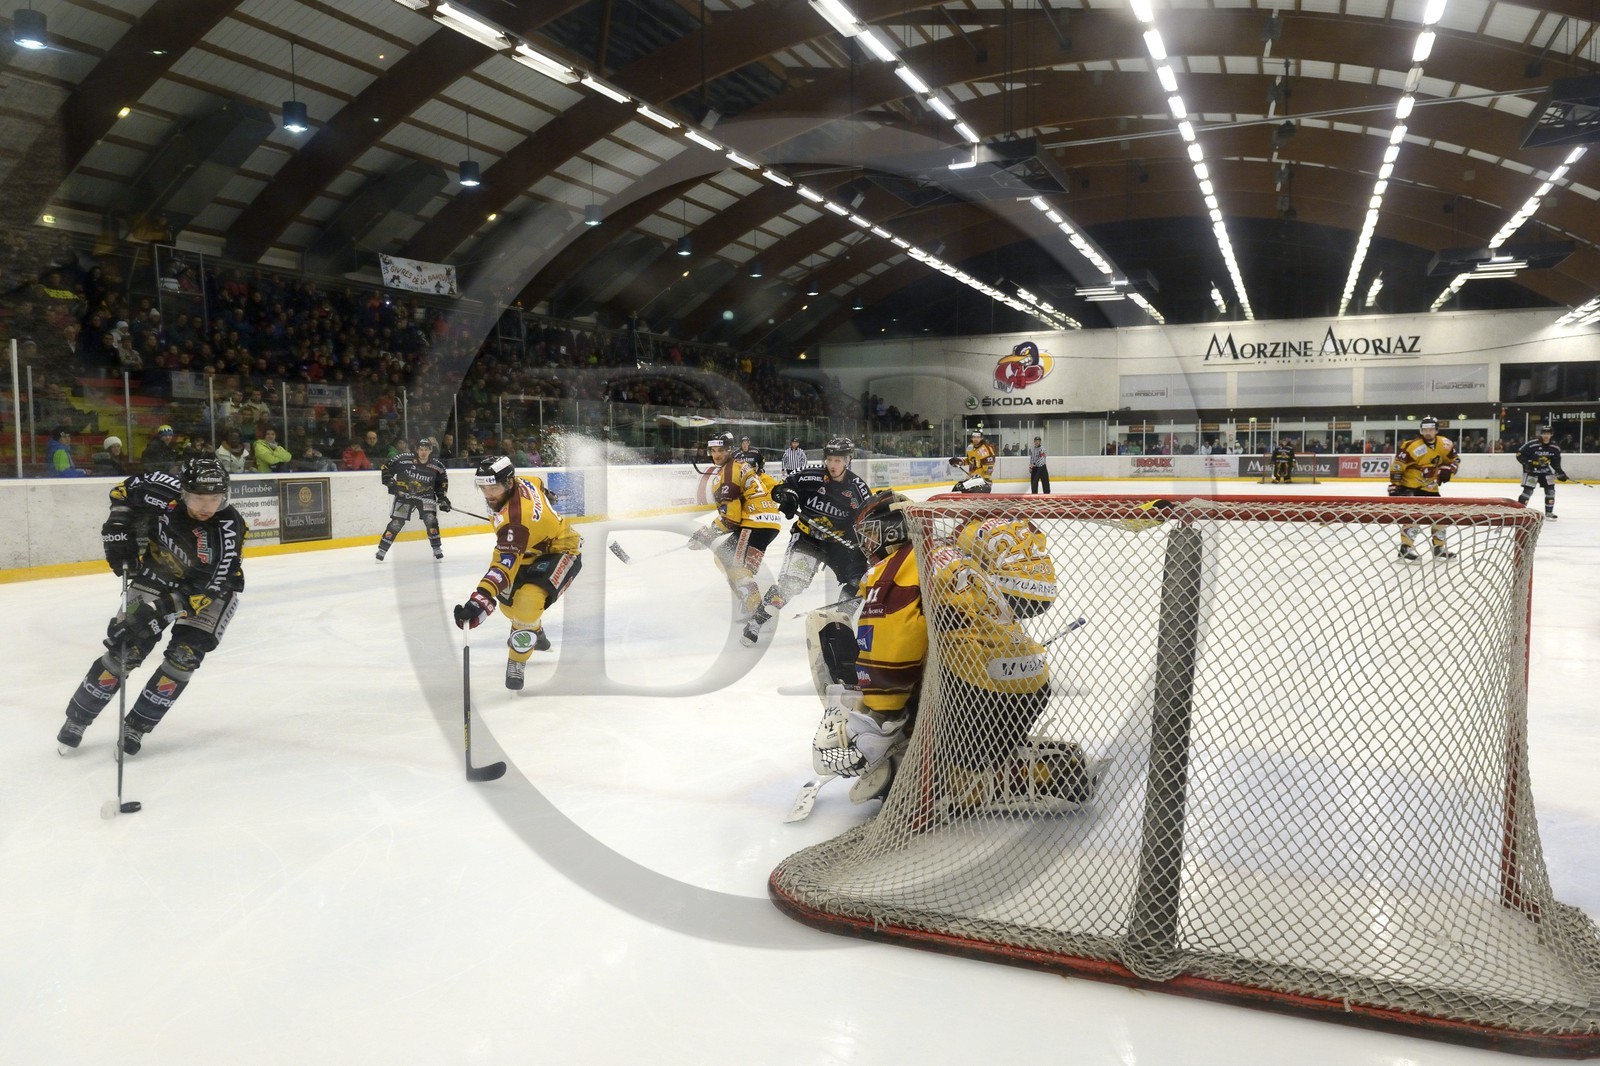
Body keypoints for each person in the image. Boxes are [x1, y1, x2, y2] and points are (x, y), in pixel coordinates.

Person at [808, 490, 1101, 811]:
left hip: (978, 693)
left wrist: (869, 730)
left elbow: (892, 654)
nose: (867, 546)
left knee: (942, 785)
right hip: (1027, 688)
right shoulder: (947, 554)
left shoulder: (896, 568)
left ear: (891, 530)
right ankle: (995, 757)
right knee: (952, 739)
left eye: (870, 535)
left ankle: (1036, 774)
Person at [55, 457, 246, 756]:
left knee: (184, 656)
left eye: (215, 498)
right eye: (198, 497)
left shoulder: (227, 530)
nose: (207, 506)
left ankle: (137, 725)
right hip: (157, 575)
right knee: (125, 648)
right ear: (182, 491)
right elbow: (123, 492)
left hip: (211, 591)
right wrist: (118, 525)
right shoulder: (161, 488)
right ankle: (78, 718)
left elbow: (204, 589)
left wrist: (155, 613)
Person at [453, 455, 582, 691]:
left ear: (509, 482)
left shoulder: (515, 522)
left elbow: (504, 565)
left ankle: (517, 659)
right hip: (526, 549)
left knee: (527, 603)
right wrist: (547, 499)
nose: (488, 493)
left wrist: (480, 598)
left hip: (560, 550)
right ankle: (534, 629)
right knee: (507, 606)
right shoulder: (523, 481)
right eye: (483, 487)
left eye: (494, 487)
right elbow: (538, 483)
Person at [742, 436, 874, 647]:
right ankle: (756, 622)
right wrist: (789, 498)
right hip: (807, 540)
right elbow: (783, 487)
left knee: (860, 580)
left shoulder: (858, 488)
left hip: (838, 544)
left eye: (838, 460)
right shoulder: (811, 476)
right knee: (791, 585)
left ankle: (839, 621)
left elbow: (867, 518)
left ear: (848, 460)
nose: (833, 465)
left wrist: (856, 538)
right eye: (830, 459)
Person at [688, 431, 782, 619]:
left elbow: (731, 518)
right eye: (713, 450)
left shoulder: (729, 472)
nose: (716, 455)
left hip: (754, 522)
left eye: (721, 450)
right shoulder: (738, 466)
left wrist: (708, 533)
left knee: (727, 558)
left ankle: (754, 606)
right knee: (728, 558)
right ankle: (752, 600)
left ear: (730, 450)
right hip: (769, 522)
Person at [1388, 416, 1461, 561]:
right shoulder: (1412, 446)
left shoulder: (1445, 444)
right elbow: (1397, 465)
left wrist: (1450, 470)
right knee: (1414, 517)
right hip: (1412, 486)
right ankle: (1405, 548)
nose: (1428, 432)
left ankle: (1439, 548)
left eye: (1431, 429)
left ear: (1436, 430)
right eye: (1425, 429)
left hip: (1431, 488)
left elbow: (1455, 460)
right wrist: (1396, 485)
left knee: (1440, 517)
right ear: (1421, 430)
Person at [376, 436, 451, 561]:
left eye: (426, 449)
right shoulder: (403, 459)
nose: (423, 452)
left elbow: (441, 483)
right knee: (397, 523)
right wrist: (391, 483)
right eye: (421, 449)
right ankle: (382, 549)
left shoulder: (437, 467)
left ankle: (436, 547)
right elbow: (386, 468)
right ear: (416, 449)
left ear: (430, 450)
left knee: (430, 519)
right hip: (404, 496)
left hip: (426, 497)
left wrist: (442, 498)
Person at [1516, 424, 1571, 519]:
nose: (1546, 435)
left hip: (1546, 472)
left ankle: (1549, 512)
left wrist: (1560, 473)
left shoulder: (1555, 447)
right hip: (1531, 472)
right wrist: (1527, 464)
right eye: (1544, 433)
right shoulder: (1532, 444)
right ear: (1541, 434)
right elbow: (1519, 454)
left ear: (1551, 434)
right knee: (1527, 492)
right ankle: (1520, 511)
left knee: (1551, 491)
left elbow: (1555, 463)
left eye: (1548, 433)